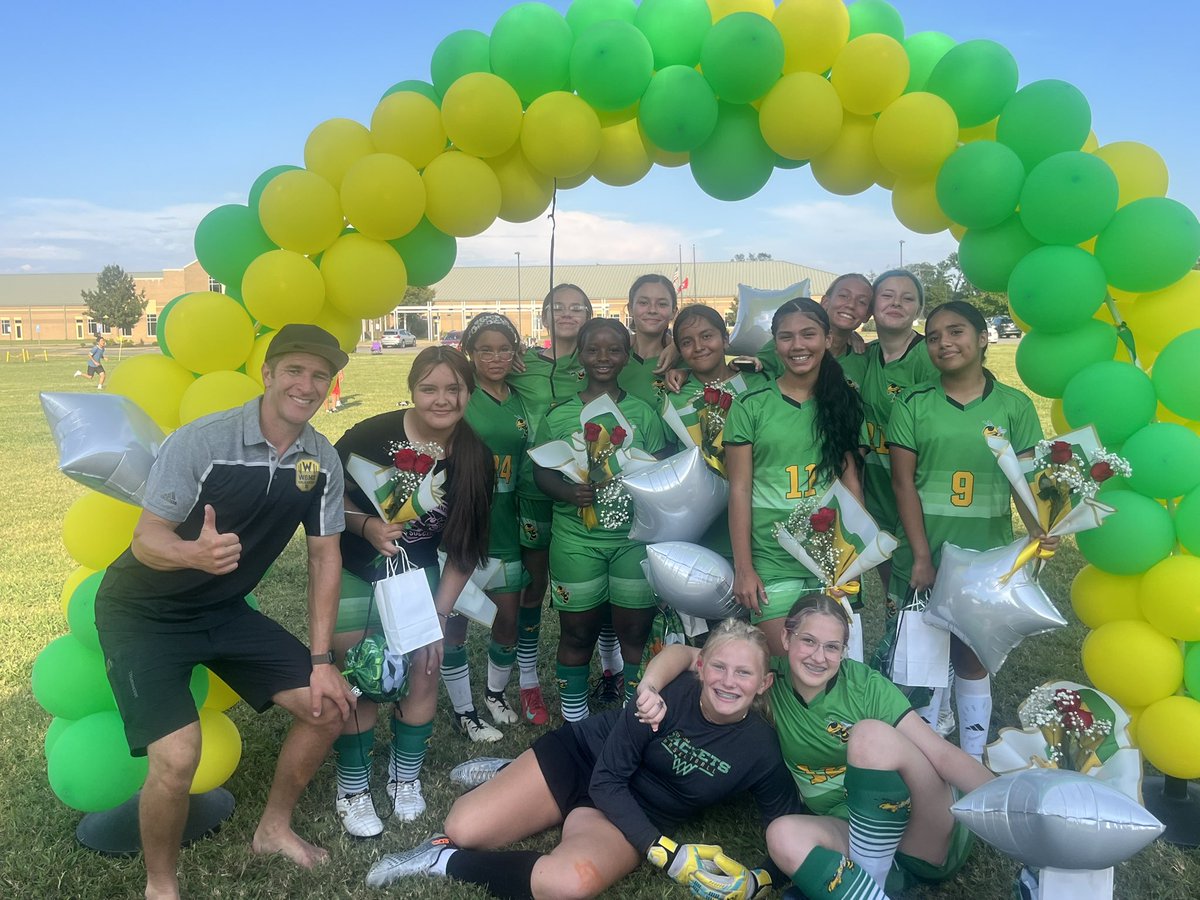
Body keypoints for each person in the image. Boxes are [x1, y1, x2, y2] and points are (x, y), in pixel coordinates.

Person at [93, 323, 357, 900]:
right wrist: (193, 552)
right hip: (141, 612)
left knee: (328, 705)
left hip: (224, 609)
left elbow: (324, 558)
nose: (306, 384)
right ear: (267, 374)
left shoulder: (321, 459)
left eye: (319, 375)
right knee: (178, 757)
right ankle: (161, 885)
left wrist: (319, 659)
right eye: (294, 370)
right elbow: (145, 541)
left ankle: (273, 829)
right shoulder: (202, 441)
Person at [365, 619, 802, 899]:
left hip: (629, 810)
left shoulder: (759, 749)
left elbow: (788, 826)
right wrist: (665, 853)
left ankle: (442, 859)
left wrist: (759, 880)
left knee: (570, 884)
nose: (729, 682)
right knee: (465, 826)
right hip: (585, 758)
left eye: (744, 673)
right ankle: (514, 772)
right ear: (700, 667)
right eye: (720, 668)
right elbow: (607, 778)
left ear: (763, 684)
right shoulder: (663, 694)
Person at [639, 595, 994, 900]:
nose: (818, 657)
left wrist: (1017, 806)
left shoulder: (864, 686)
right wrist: (649, 689)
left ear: (844, 651)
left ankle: (872, 876)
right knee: (780, 836)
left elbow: (940, 754)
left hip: (922, 830)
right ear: (786, 637)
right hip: (850, 830)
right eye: (808, 641)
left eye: (832, 647)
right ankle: (876, 890)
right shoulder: (765, 679)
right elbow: (686, 655)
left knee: (869, 736)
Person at [331, 346, 494, 837]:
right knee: (357, 673)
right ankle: (353, 786)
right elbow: (324, 496)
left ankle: (406, 778)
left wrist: (440, 615)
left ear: (469, 392)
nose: (441, 400)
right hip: (356, 569)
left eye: (453, 389)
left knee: (423, 671)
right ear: (412, 390)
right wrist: (364, 526)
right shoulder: (370, 435)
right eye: (429, 388)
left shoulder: (475, 457)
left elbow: (464, 549)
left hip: (417, 576)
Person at [884, 300, 1052, 760]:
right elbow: (903, 483)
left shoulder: (1013, 406)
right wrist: (920, 555)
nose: (944, 343)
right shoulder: (914, 404)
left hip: (987, 556)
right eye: (934, 336)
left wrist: (1041, 529)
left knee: (971, 657)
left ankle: (972, 757)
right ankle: (929, 757)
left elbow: (1025, 481)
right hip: (926, 552)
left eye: (956, 332)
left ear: (982, 339)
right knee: (925, 658)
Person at [532, 318, 668, 720]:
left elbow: (661, 464)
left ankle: (633, 718)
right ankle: (575, 724)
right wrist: (568, 491)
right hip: (576, 540)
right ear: (580, 354)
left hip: (632, 539)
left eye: (613, 350)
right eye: (594, 349)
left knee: (635, 633)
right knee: (577, 632)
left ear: (627, 355)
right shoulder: (559, 414)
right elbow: (542, 470)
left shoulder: (642, 412)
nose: (603, 358)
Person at [724, 298, 865, 656]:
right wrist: (744, 569)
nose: (798, 345)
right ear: (774, 344)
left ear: (828, 339)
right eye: (786, 337)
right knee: (787, 663)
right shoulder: (751, 405)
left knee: (826, 663)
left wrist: (857, 554)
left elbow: (849, 480)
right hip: (770, 558)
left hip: (828, 556)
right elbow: (739, 489)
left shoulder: (842, 400)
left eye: (808, 334)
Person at [507, 284, 593, 723]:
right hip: (536, 491)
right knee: (534, 587)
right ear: (543, 316)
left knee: (596, 586)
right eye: (557, 307)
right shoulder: (523, 365)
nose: (567, 313)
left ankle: (613, 669)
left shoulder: (599, 360)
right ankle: (527, 683)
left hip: (589, 493)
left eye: (577, 307)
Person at [461, 314, 534, 729]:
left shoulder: (521, 397)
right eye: (485, 349)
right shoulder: (461, 394)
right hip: (464, 523)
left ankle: (493, 693)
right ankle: (461, 708)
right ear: (470, 353)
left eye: (504, 348)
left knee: (507, 617)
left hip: (508, 522)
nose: (495, 357)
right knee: (453, 624)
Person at [664, 304, 768, 564]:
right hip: (701, 523)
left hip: (758, 514)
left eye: (707, 336)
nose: (698, 346)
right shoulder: (674, 396)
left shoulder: (758, 383)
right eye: (687, 342)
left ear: (725, 339)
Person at [619, 273, 680, 406]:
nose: (652, 310)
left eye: (662, 304)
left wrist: (679, 346)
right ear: (630, 309)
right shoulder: (612, 354)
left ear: (674, 312)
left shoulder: (685, 358)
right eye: (643, 303)